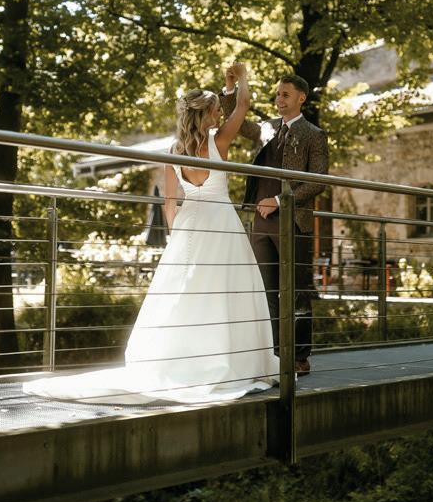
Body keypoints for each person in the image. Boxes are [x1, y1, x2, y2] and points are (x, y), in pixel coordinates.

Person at [24, 62, 278, 404]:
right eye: (217, 110)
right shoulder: (219, 141)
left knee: (186, 293)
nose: (221, 114)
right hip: (221, 222)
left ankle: (184, 360)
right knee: (227, 289)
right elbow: (243, 106)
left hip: (189, 225)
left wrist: (177, 241)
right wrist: (240, 79)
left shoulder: (174, 151)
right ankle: (230, 361)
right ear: (206, 115)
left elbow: (170, 203)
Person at [220, 73, 328, 376]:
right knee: (266, 291)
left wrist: (280, 201)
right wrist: (230, 88)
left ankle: (299, 356)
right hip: (261, 223)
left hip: (293, 221)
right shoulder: (267, 128)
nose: (279, 99)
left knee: (297, 291)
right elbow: (238, 123)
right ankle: (274, 354)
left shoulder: (314, 134)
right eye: (277, 94)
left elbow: (318, 181)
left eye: (285, 95)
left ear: (301, 98)